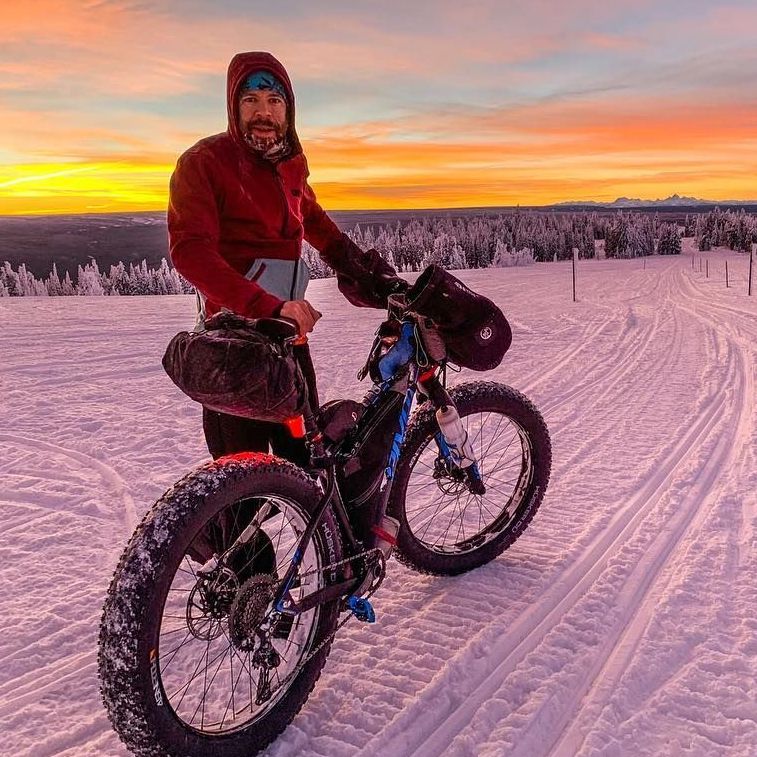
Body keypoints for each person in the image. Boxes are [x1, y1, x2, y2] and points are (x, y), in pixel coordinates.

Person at [168, 51, 405, 462]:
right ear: (233, 106)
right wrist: (267, 306)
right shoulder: (204, 163)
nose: (264, 112)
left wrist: (373, 277)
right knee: (240, 484)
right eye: (251, 100)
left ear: (288, 109)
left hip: (289, 341)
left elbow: (316, 224)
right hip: (236, 346)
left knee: (308, 465)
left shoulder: (290, 164)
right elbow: (190, 251)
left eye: (274, 101)